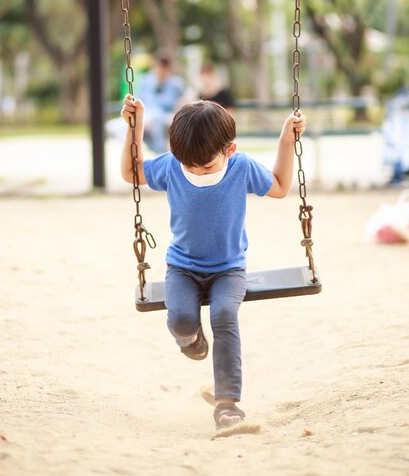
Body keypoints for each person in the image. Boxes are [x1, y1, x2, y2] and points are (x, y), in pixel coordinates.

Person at [120, 96, 306, 431]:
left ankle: (228, 403)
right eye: (188, 165)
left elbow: (279, 187)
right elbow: (133, 172)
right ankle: (191, 340)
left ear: (229, 150)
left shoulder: (241, 168)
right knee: (180, 321)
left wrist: (286, 139)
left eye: (204, 166)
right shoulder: (174, 166)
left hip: (229, 269)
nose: (194, 170)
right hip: (182, 268)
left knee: (223, 315)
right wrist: (135, 124)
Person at [137, 51, 187, 154]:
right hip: (148, 117)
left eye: (161, 68)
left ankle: (160, 153)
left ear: (167, 69)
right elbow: (139, 100)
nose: (158, 71)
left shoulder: (176, 84)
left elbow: (186, 99)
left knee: (158, 120)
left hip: (168, 117)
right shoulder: (146, 82)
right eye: (156, 67)